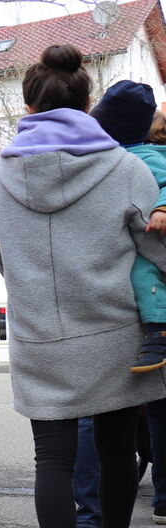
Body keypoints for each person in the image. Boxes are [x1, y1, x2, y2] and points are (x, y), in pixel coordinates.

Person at [0, 44, 164, 528]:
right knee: (118, 449)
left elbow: (2, 256)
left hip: (40, 337)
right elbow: (157, 251)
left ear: (27, 107)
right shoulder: (127, 169)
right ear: (88, 104)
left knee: (53, 460)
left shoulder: (2, 176)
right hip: (115, 334)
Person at [87, 81, 166, 372]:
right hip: (137, 235)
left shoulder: (143, 158)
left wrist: (162, 208)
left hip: (151, 235)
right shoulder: (121, 156)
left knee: (143, 275)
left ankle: (158, 332)